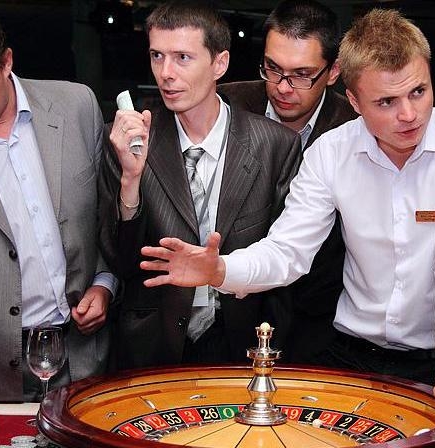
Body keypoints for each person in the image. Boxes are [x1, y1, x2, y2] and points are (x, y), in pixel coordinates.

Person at [139, 8, 435, 426]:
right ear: (354, 101)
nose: (409, 114)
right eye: (386, 102)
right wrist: (220, 269)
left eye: (418, 92)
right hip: (347, 355)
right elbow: (288, 251)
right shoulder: (329, 152)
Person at [98, 1, 302, 369]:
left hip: (243, 342)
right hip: (153, 345)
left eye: (182, 58)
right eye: (157, 56)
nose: (166, 73)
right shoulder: (130, 140)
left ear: (219, 64)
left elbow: (286, 259)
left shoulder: (275, 145)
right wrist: (130, 179)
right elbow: (121, 262)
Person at [0, 0, 116, 402]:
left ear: (6, 62)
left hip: (81, 362)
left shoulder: (76, 106)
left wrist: (104, 283)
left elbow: (106, 217)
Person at [217, 0, 357, 364]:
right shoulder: (225, 105)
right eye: (273, 68)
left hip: (320, 321)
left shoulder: (354, 128)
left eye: (301, 74)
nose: (282, 87)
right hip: (229, 313)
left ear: (333, 71)